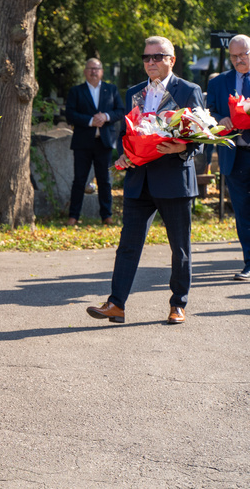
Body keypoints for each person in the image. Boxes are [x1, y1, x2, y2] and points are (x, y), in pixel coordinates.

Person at [86, 36, 203, 326]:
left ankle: (178, 304)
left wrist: (183, 148)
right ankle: (116, 304)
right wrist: (126, 154)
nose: (150, 62)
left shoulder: (189, 90)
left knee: (180, 247)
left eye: (157, 57)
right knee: (128, 245)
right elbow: (131, 131)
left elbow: (201, 136)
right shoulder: (134, 91)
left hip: (174, 180)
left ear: (171, 60)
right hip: (139, 180)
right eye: (146, 57)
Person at [207, 34, 250, 280]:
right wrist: (218, 119)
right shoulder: (219, 82)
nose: (238, 60)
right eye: (234, 56)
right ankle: (249, 263)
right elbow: (208, 113)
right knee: (243, 212)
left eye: (243, 54)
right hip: (235, 154)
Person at [65, 58, 125, 226]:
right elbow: (70, 114)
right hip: (82, 143)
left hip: (104, 143)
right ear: (85, 71)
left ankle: (107, 216)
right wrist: (91, 121)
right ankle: (73, 216)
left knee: (105, 181)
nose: (93, 71)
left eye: (97, 68)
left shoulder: (111, 89)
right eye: (90, 68)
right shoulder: (76, 91)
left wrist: (105, 117)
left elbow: (120, 111)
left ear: (102, 72)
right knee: (79, 180)